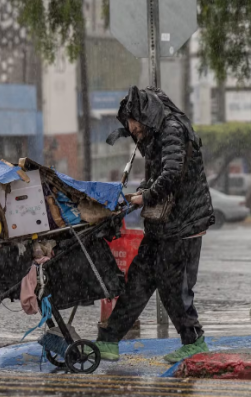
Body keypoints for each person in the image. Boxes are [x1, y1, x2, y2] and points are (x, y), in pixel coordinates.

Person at [95, 86, 215, 364]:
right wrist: (142, 191)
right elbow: (161, 174)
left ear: (143, 116)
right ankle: (109, 340)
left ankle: (194, 341)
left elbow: (172, 173)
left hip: (182, 226)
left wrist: (145, 196)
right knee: (138, 281)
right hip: (163, 226)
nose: (132, 131)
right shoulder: (155, 132)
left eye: (133, 126)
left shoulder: (171, 129)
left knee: (173, 287)